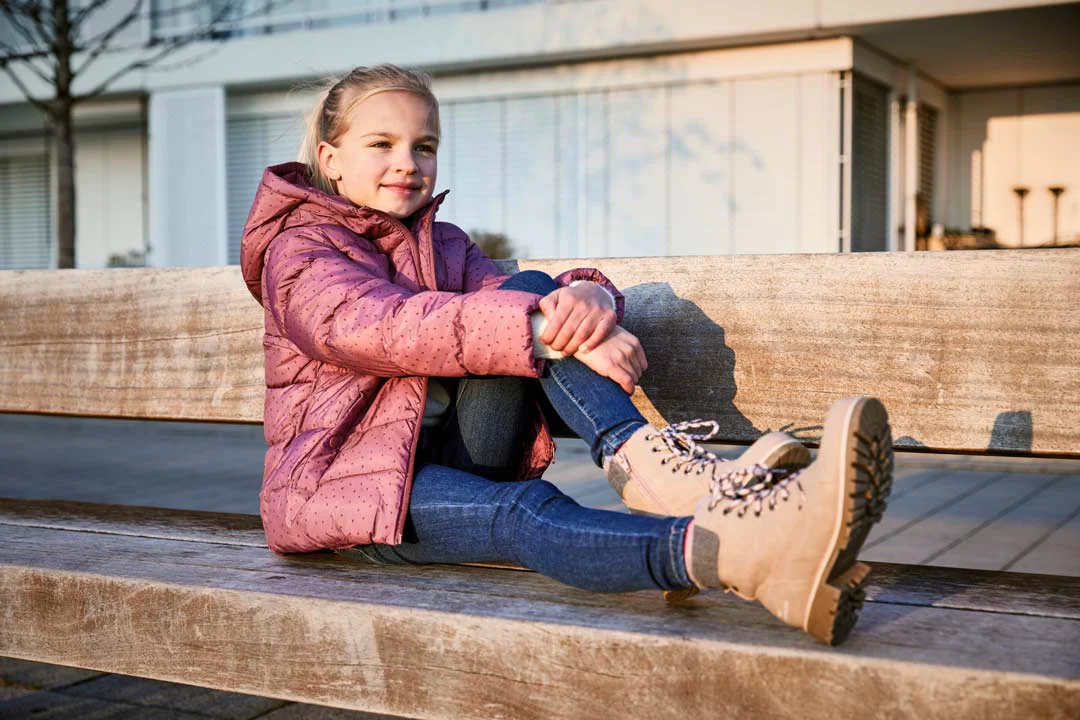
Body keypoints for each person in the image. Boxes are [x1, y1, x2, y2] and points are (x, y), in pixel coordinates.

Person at [239, 64, 893, 646]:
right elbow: (374, 327)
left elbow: (513, 304)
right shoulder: (300, 251)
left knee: (533, 296)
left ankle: (647, 467)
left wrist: (590, 298)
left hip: (458, 453)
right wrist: (542, 328)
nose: (407, 161)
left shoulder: (446, 244)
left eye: (425, 145)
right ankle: (737, 554)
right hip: (356, 501)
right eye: (381, 144)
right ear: (331, 158)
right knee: (525, 509)